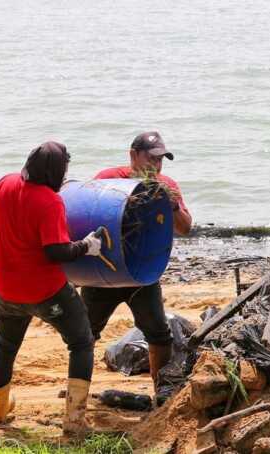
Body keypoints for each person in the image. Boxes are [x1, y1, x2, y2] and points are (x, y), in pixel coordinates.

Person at [0, 142, 102, 436]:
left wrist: (18, 229)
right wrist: (87, 246)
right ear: (56, 172)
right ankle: (74, 422)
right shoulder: (49, 201)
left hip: (7, 288)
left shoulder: (5, 183)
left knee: (5, 346)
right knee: (81, 343)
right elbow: (56, 252)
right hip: (46, 292)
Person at [80, 132, 192, 396]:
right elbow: (85, 217)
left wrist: (172, 204)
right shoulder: (108, 179)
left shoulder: (166, 185)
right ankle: (79, 394)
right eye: (151, 158)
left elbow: (185, 228)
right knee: (84, 337)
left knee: (159, 334)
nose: (157, 165)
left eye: (161, 159)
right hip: (105, 272)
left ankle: (161, 394)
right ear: (133, 155)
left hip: (143, 273)